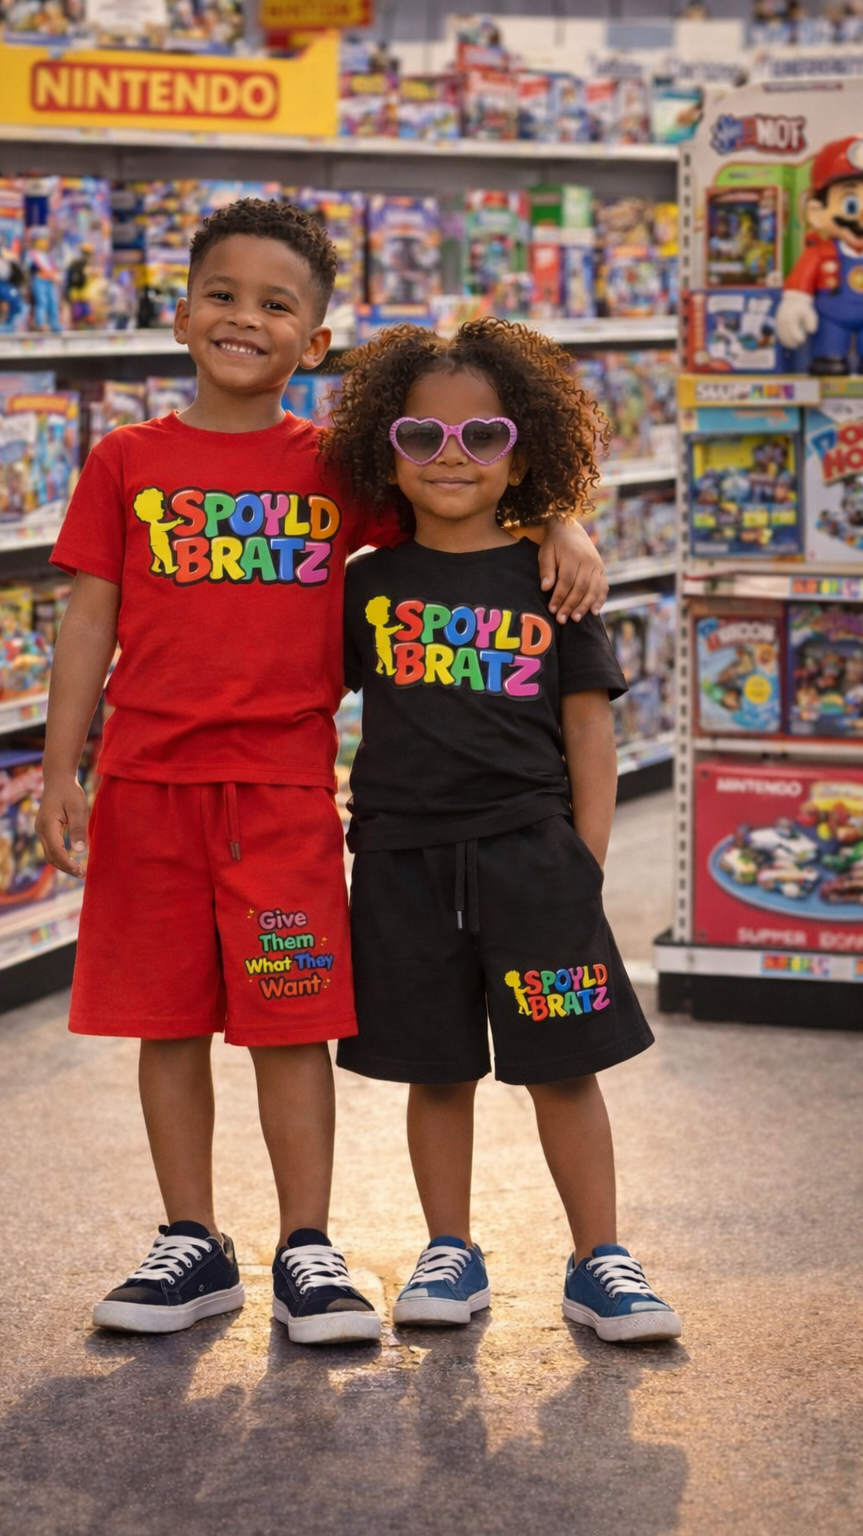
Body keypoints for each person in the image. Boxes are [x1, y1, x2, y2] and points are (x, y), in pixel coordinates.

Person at [34, 202, 608, 1347]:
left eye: (276, 304)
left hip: (286, 795)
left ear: (316, 338)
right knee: (167, 1020)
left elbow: (460, 493)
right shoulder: (124, 460)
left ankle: (308, 1243)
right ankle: (189, 1239)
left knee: (290, 1022)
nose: (243, 318)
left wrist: (564, 520)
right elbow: (90, 613)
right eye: (223, 294)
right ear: (183, 306)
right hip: (146, 785)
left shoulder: (335, 463)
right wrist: (63, 764)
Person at [324, 317, 681, 1344]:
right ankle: (449, 1246)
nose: (450, 457)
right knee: (435, 1069)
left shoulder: (554, 577)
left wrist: (585, 863)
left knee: (566, 1064)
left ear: (520, 450)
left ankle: (598, 1258)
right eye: (421, 437)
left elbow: (590, 733)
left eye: (481, 437)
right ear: (383, 452)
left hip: (533, 863)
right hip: (400, 862)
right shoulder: (365, 582)